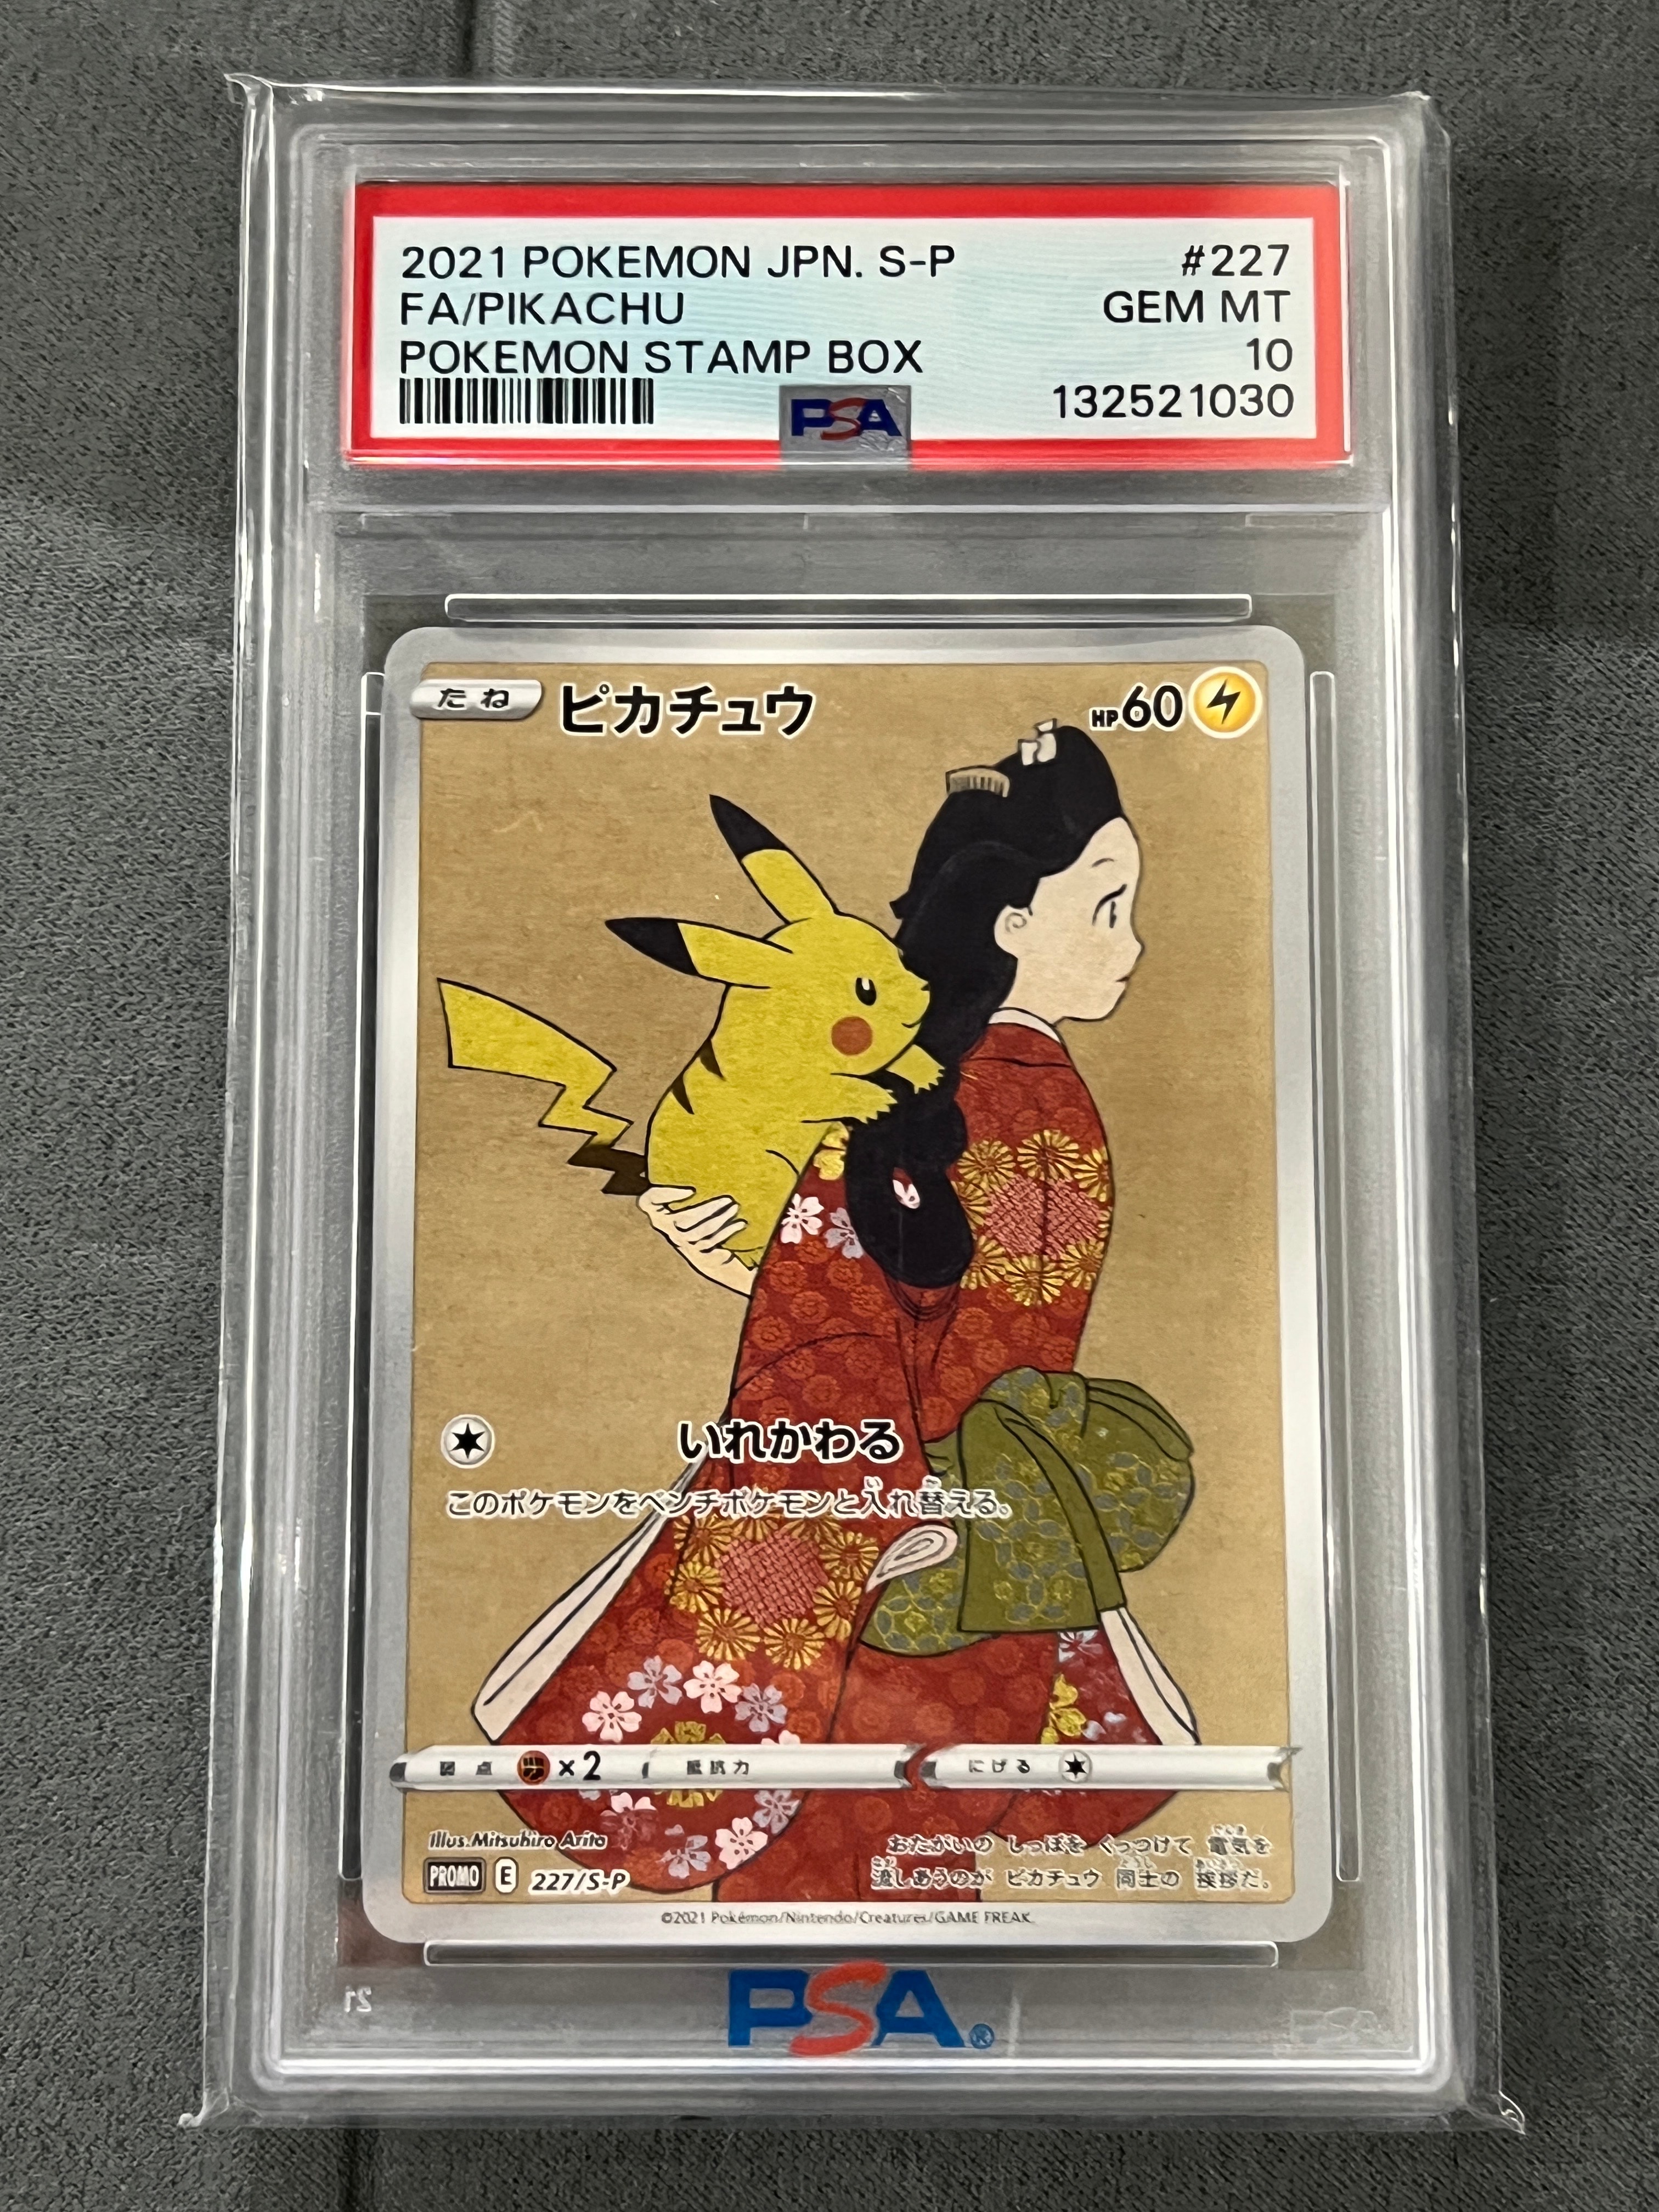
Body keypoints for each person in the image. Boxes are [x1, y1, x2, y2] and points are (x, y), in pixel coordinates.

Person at [496, 721, 1196, 1898]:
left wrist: (856, 1468)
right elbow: (947, 1304)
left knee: (839, 1854)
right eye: (1107, 906)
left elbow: (857, 1327)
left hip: (894, 1536)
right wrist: (764, 1264)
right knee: (910, 1852)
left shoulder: (932, 1104)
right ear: (1012, 924)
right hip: (1005, 1537)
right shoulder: (1030, 1096)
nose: (1130, 945)